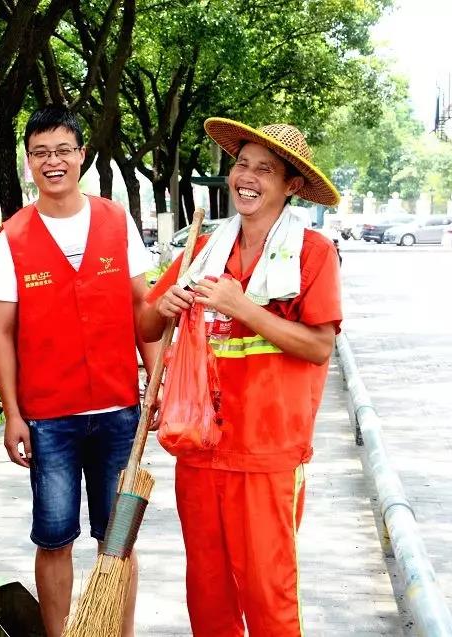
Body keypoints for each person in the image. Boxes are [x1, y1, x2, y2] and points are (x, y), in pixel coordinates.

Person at [140, 118, 343, 636]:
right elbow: (143, 322)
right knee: (208, 595)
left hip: (268, 454)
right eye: (242, 164)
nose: (247, 178)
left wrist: (242, 307)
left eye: (265, 170)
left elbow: (319, 346)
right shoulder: (202, 251)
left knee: (268, 596)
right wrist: (163, 304)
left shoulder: (313, 254)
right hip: (200, 448)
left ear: (291, 186)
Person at [0, 104, 156, 637]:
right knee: (54, 536)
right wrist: (13, 415)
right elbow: (2, 334)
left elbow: (143, 308)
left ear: (82, 155)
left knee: (119, 538)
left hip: (119, 412)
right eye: (41, 153)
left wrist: (157, 384)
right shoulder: (11, 236)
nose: (53, 162)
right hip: (49, 417)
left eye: (63, 151)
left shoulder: (115, 220)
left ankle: (117, 632)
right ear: (28, 162)